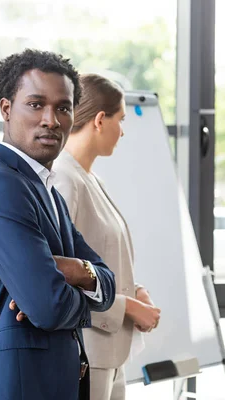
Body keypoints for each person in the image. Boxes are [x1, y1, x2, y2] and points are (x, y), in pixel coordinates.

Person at [0, 49, 116, 400]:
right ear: (6, 109)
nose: (51, 120)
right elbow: (47, 306)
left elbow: (107, 283)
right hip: (18, 388)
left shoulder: (44, 188)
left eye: (63, 107)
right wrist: (71, 292)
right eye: (35, 104)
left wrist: (75, 270)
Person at [53, 73, 161, 400]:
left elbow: (103, 255)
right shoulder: (64, 180)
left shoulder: (90, 179)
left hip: (110, 351)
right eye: (120, 120)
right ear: (100, 120)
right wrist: (128, 306)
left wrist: (137, 291)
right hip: (87, 350)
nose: (123, 130)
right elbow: (59, 273)